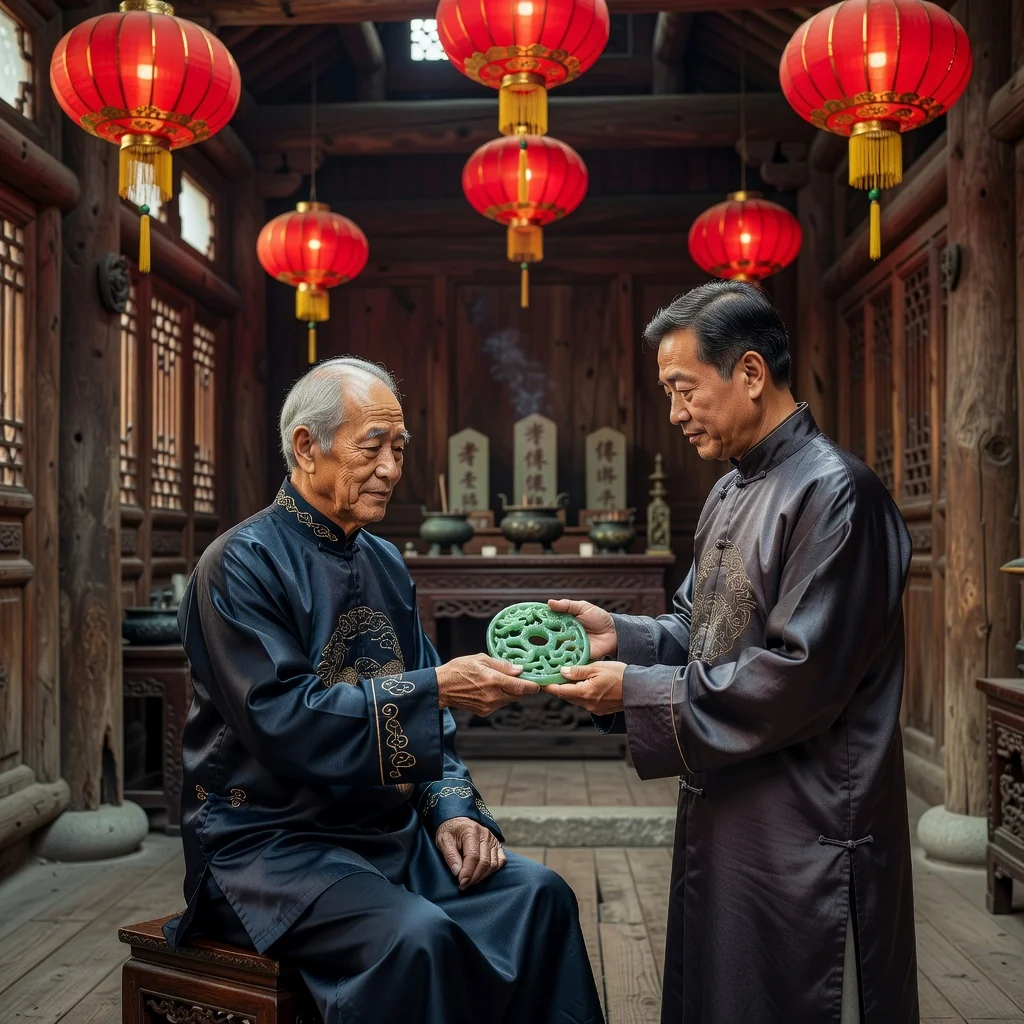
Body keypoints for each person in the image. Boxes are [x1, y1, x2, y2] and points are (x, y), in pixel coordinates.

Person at [165, 356, 604, 1024]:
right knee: (415, 938)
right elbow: (280, 719)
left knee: (539, 896)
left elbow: (432, 730)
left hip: (385, 834)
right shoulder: (238, 564)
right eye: (373, 448)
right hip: (271, 848)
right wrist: (438, 689)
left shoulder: (385, 562)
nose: (393, 469)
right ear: (306, 448)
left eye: (399, 449)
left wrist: (452, 809)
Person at [547, 281, 918, 1024]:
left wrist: (639, 692)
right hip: (729, 805)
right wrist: (624, 636)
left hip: (805, 823)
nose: (676, 413)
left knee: (796, 992)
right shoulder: (730, 491)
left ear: (750, 373)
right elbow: (699, 627)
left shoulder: (838, 492)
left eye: (684, 389)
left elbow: (800, 677)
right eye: (668, 393)